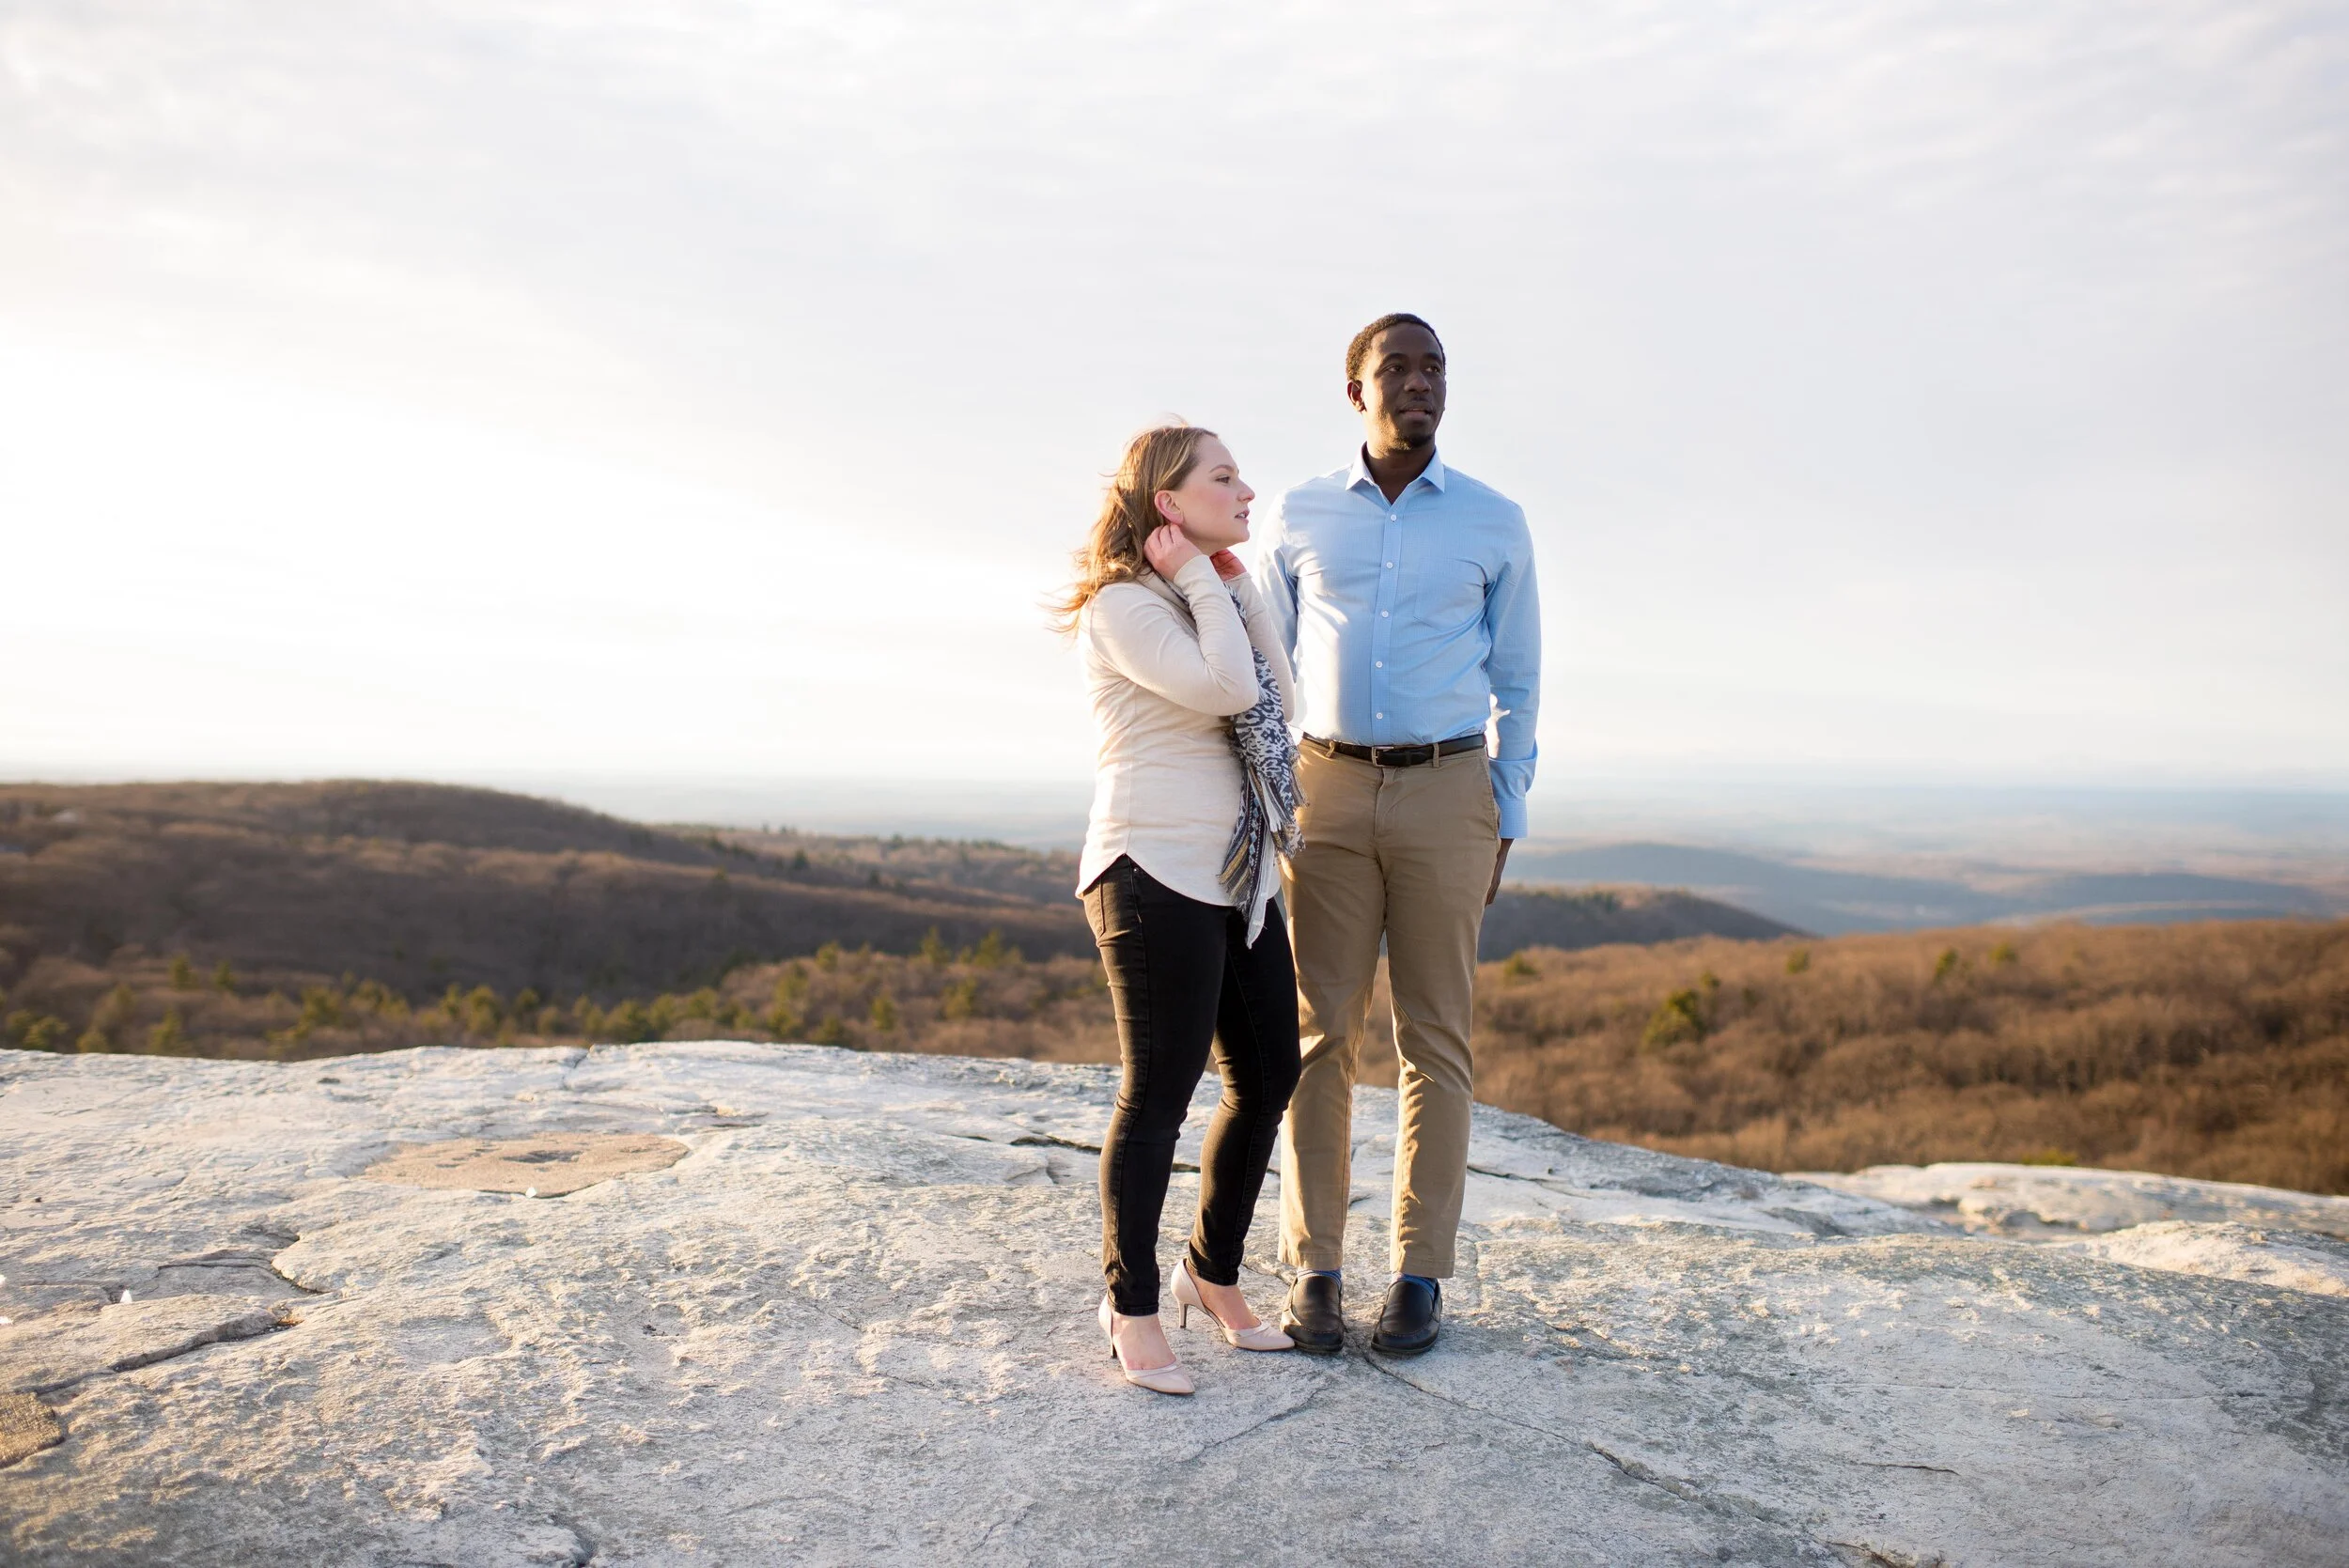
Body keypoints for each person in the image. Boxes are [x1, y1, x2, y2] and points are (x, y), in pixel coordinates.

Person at [1250, 314, 1541, 1357]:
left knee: (1435, 1038)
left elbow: (1518, 678)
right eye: (1397, 369)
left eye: (1434, 370)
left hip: (1447, 789)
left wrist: (1504, 806)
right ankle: (1314, 1270)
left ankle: (1419, 1273)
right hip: (1323, 793)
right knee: (1318, 1036)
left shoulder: (1494, 521)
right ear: (1356, 390)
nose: (1419, 384)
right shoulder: (1299, 512)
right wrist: (1268, 795)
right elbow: (1265, 665)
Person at [1056, 423, 1306, 1394]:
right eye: (1224, 477)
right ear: (1169, 502)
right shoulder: (1123, 604)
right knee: (1158, 1093)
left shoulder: (1209, 591)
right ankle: (1131, 1302)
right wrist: (1208, 584)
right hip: (1148, 864)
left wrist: (1236, 586)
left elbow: (1275, 698)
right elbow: (1223, 684)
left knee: (1268, 1072)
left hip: (1237, 869)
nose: (1246, 489)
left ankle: (1211, 1270)